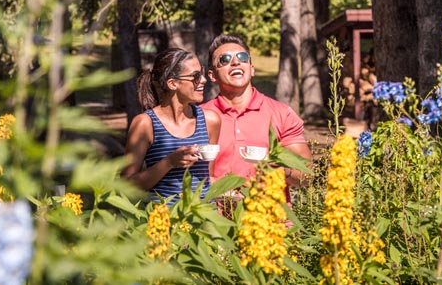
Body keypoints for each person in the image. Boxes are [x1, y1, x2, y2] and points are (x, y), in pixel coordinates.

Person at [200, 34, 312, 202]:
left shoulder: (282, 113)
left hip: (271, 222)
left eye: (242, 57)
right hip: (215, 223)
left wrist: (278, 168)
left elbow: (306, 176)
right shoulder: (198, 117)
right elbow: (185, 176)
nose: (236, 62)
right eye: (225, 59)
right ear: (212, 75)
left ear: (251, 69)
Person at [123, 48, 221, 206]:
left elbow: (209, 178)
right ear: (173, 83)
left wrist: (233, 190)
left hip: (204, 221)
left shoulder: (211, 120)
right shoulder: (145, 123)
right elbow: (127, 186)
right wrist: (169, 162)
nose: (203, 80)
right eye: (195, 76)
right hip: (164, 224)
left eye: (202, 73)